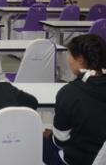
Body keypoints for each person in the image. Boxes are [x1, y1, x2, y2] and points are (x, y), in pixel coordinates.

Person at [43, 34, 106, 165]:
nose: (68, 60)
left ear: (81, 60)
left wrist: (49, 136)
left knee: (40, 141)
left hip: (78, 160)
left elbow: (60, 142)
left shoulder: (69, 93)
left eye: (70, 55)